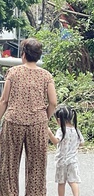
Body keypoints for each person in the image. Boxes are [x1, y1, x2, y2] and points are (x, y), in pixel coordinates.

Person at [0, 38, 57, 196]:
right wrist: (43, 116)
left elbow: (4, 100)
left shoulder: (13, 72)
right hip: (37, 123)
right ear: (38, 56)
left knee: (9, 165)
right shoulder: (46, 75)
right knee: (37, 167)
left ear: (23, 54)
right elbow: (53, 102)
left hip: (13, 121)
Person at [47, 105, 84, 196]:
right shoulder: (76, 130)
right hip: (73, 161)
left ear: (59, 120)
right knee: (73, 181)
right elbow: (82, 143)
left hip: (61, 161)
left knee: (61, 182)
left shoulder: (61, 131)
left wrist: (49, 133)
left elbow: (56, 141)